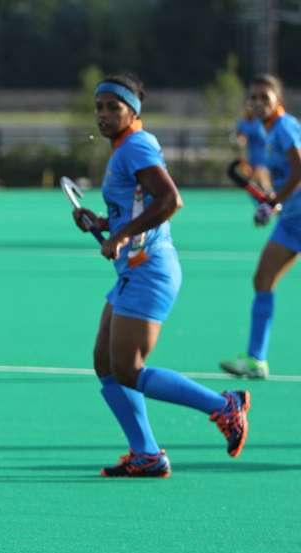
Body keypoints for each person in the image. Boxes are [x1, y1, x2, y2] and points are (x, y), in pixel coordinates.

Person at [71, 73, 250, 478]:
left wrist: (119, 235)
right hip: (133, 271)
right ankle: (146, 454)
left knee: (129, 368)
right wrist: (101, 222)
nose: (102, 114)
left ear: (133, 111)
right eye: (98, 107)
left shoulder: (135, 145)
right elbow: (136, 208)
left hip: (148, 270)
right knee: (104, 363)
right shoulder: (126, 148)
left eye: (112, 107)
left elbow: (170, 200)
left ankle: (225, 406)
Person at [221, 75, 301, 379]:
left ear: (277, 101)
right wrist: (274, 203)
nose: (257, 103)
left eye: (264, 98)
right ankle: (256, 360)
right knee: (263, 279)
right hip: (292, 220)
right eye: (253, 98)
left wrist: (273, 201)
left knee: (264, 280)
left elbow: (300, 168)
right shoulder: (266, 131)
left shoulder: (284, 127)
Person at [235, 99, 272, 195]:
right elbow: (240, 137)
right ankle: (267, 202)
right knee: (254, 184)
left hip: (263, 154)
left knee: (261, 181)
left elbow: (266, 137)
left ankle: (271, 202)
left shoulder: (260, 121)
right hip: (250, 155)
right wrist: (241, 141)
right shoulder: (242, 123)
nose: (249, 110)